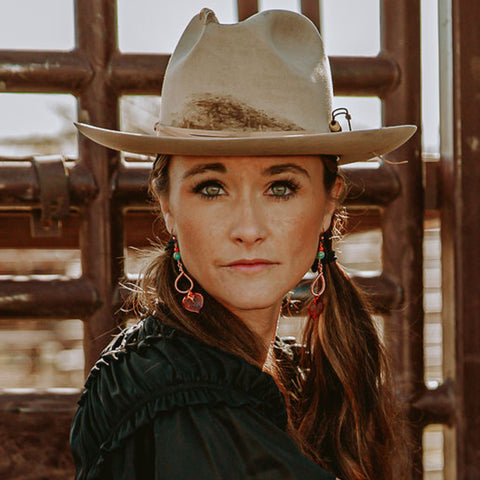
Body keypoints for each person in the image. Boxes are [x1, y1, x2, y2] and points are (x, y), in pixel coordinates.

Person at [70, 8, 416, 480]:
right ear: (167, 205)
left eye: (281, 187)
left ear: (329, 205)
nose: (248, 228)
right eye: (211, 187)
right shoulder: (178, 397)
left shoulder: (282, 374)